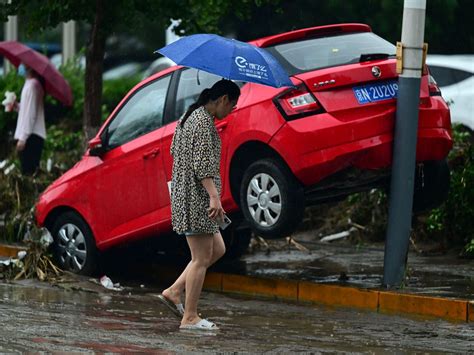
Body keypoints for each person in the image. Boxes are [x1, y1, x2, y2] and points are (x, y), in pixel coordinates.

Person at [158, 79, 241, 331]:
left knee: (217, 248)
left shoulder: (189, 115)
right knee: (200, 258)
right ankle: (190, 317)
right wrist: (214, 197)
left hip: (185, 194)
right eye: (233, 105)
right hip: (197, 198)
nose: (231, 111)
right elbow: (203, 166)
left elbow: (174, 149)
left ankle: (174, 291)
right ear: (224, 99)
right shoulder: (204, 123)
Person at [13, 63, 46, 175]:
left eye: (24, 64)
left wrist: (23, 138)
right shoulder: (29, 84)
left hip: (32, 136)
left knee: (28, 173)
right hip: (30, 135)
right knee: (28, 172)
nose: (21, 65)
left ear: (30, 67)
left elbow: (30, 115)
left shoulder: (33, 86)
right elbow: (26, 109)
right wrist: (16, 106)